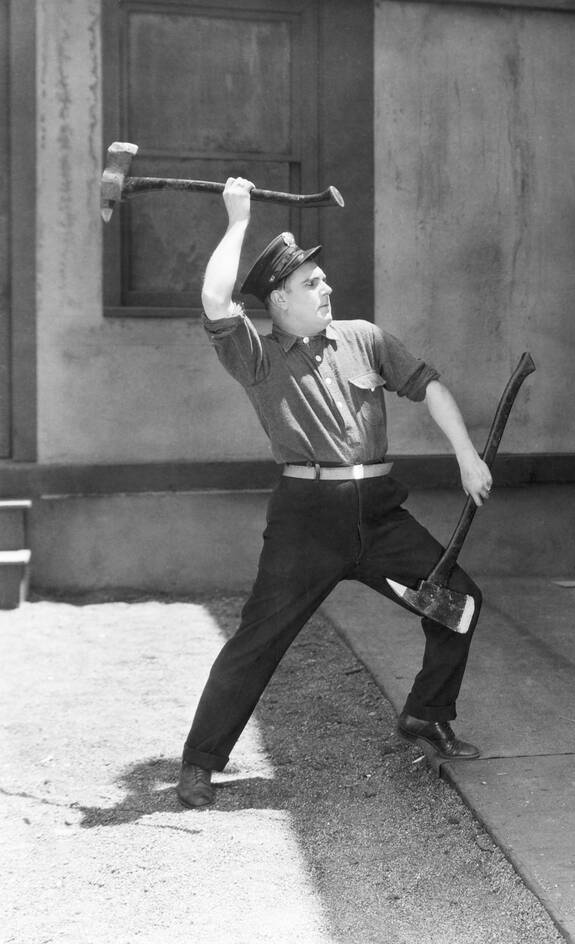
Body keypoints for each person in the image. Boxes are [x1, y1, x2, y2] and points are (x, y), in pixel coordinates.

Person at [177, 177, 492, 808]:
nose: (327, 290)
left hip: (378, 514)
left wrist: (465, 453)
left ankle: (426, 715)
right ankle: (200, 763)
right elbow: (214, 296)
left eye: (323, 280)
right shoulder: (257, 358)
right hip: (306, 521)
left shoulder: (363, 337)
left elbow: (427, 386)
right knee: (257, 641)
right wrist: (238, 221)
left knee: (458, 601)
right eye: (311, 285)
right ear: (279, 302)